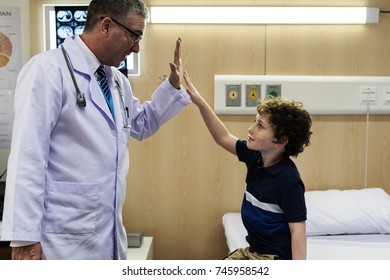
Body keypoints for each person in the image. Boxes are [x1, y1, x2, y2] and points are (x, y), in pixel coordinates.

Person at [1, 0, 190, 260]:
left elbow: (141, 124)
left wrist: (172, 86)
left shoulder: (117, 82)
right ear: (106, 25)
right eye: (134, 36)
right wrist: (24, 237)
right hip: (60, 240)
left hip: (105, 234)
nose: (136, 48)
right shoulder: (47, 70)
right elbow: (27, 158)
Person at [183, 72, 312, 260]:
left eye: (260, 126)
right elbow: (223, 137)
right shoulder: (255, 157)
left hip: (273, 258)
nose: (250, 130)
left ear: (280, 141)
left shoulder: (288, 179)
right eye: (255, 122)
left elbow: (297, 231)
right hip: (253, 252)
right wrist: (200, 103)